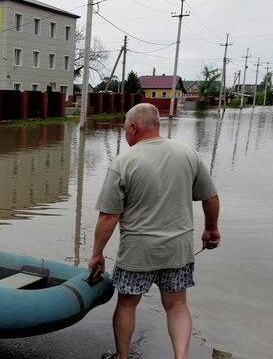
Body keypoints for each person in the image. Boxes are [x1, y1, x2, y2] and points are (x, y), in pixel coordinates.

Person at [89, 103, 220, 359]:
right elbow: (210, 197)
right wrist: (211, 229)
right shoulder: (187, 153)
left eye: (126, 129)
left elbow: (109, 216)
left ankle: (122, 356)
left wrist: (97, 253)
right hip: (178, 249)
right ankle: (181, 357)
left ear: (133, 128)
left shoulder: (124, 161)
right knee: (177, 305)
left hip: (138, 252)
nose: (126, 134)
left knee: (127, 304)